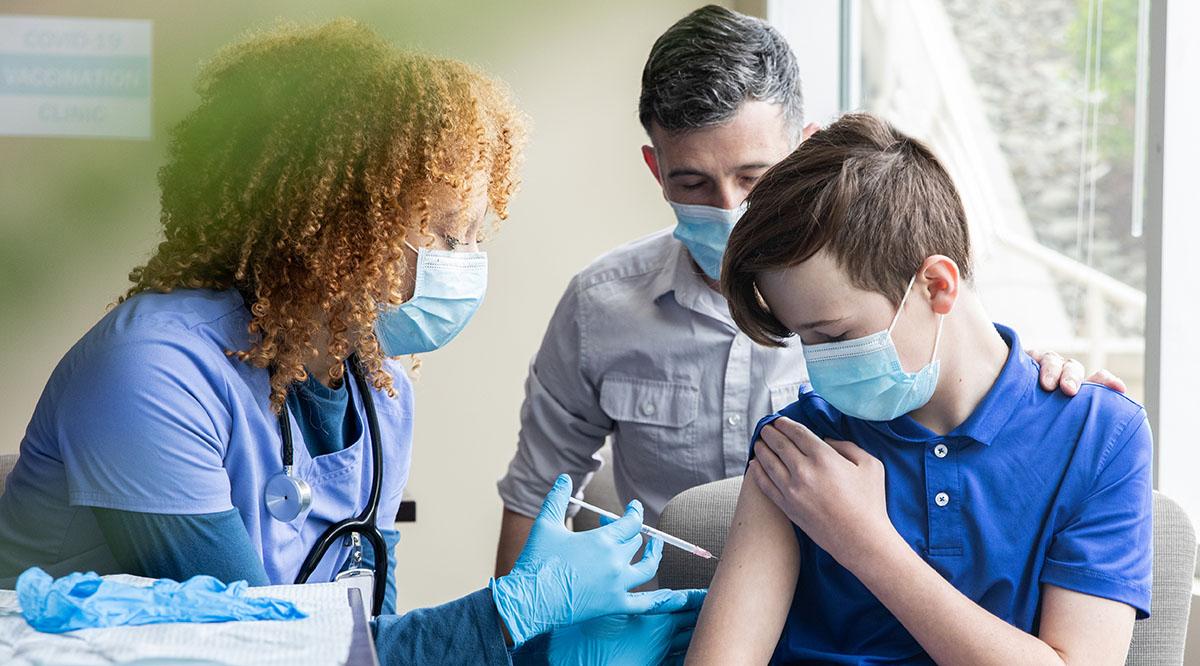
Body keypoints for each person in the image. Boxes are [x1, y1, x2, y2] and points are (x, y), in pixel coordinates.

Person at [0, 20, 702, 665]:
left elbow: (364, 636)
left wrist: (546, 650)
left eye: (472, 238)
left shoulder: (377, 392)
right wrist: (511, 615)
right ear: (331, 224)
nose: (459, 264)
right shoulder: (149, 374)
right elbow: (259, 649)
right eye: (440, 232)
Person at [493, 4, 1121, 576]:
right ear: (656, 168)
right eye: (691, 183)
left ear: (806, 149)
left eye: (753, 175)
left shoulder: (885, 299)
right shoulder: (600, 305)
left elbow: (967, 377)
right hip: (662, 612)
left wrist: (1048, 392)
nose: (728, 207)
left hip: (843, 600)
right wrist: (517, 635)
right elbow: (536, 496)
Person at [685, 114, 1152, 664]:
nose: (819, 367)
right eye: (804, 341)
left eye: (835, 335)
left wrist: (864, 541)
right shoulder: (800, 447)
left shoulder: (1101, 437)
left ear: (936, 285)